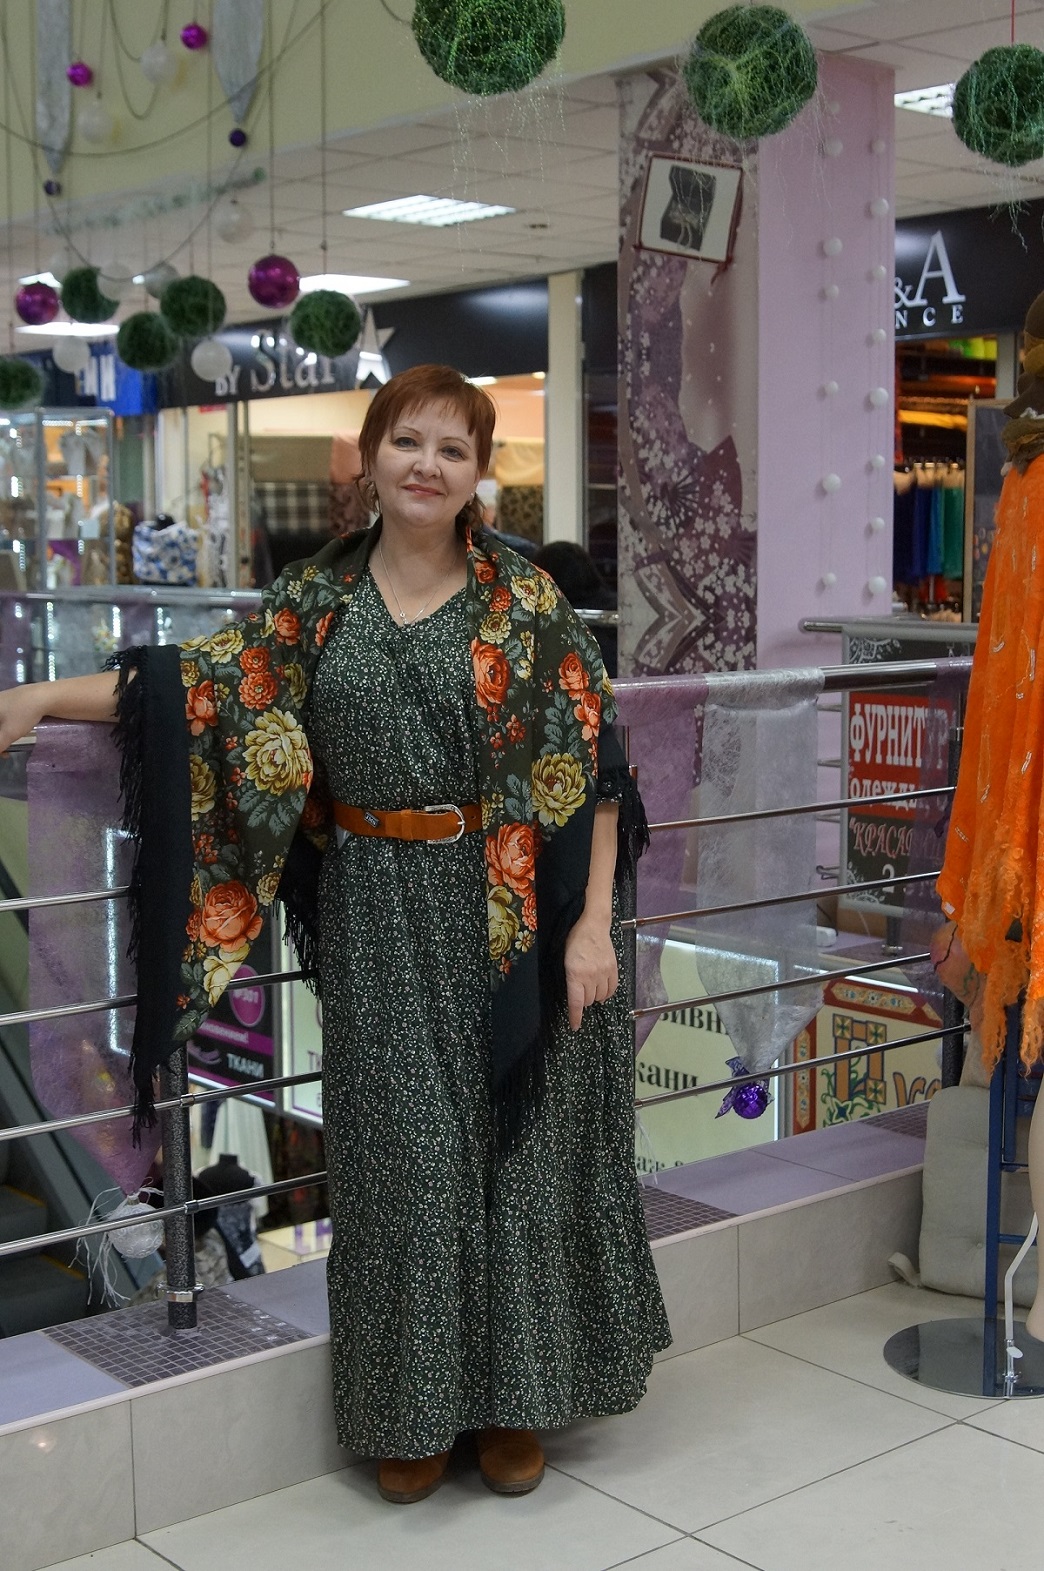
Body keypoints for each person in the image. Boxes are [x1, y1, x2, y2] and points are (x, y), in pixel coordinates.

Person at [0, 363, 670, 1504]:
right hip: (375, 909)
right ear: (369, 455)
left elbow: (597, 767)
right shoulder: (315, 602)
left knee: (512, 1158)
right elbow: (204, 690)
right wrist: (38, 698)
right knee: (404, 1161)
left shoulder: (523, 600)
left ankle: (511, 1405)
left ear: (478, 473)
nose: (426, 465)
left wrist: (593, 925)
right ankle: (411, 1408)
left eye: (452, 449)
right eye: (407, 441)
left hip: (509, 908)